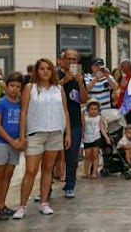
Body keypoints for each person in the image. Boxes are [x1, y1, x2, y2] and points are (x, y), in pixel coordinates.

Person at [14, 58, 71, 218]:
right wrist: (22, 135)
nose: (45, 71)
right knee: (31, 170)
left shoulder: (58, 89)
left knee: (47, 169)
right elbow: (24, 112)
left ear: (52, 71)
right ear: (36, 71)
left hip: (55, 133)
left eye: (48, 68)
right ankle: (22, 206)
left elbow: (65, 111)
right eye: (42, 68)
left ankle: (44, 203)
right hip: (35, 134)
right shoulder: (30, 88)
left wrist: (67, 134)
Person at [0, 71, 26, 220]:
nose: (14, 89)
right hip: (1, 143)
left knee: (8, 175)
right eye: (12, 86)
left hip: (16, 144)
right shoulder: (1, 103)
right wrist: (12, 141)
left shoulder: (21, 104)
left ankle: (3, 204)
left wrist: (20, 139)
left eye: (18, 87)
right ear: (6, 86)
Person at [58, 49, 88, 198]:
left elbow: (83, 100)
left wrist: (80, 84)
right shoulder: (56, 75)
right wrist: (65, 81)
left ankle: (70, 185)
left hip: (75, 121)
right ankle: (46, 188)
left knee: (72, 156)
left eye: (74, 59)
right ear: (62, 61)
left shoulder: (80, 77)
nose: (71, 62)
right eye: (68, 59)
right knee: (52, 157)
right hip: (56, 123)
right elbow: (52, 91)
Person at [82, 98, 110, 178]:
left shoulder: (99, 118)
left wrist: (107, 137)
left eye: (95, 109)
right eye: (91, 109)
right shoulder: (85, 117)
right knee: (87, 156)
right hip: (87, 139)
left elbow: (102, 129)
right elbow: (83, 127)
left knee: (95, 155)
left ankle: (94, 172)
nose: (93, 111)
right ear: (88, 109)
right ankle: (85, 171)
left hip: (96, 138)